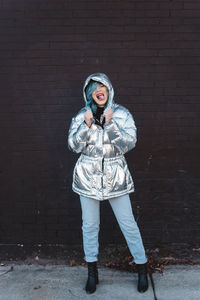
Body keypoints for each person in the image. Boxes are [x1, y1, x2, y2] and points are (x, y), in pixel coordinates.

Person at [68, 73, 148, 294]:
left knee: (128, 224)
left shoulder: (121, 114)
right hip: (88, 177)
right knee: (90, 226)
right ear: (88, 93)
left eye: (102, 85)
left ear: (109, 89)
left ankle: (142, 268)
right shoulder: (82, 115)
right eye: (94, 87)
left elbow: (128, 144)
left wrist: (111, 124)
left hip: (116, 177)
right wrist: (86, 125)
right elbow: (73, 145)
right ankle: (92, 272)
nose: (99, 90)